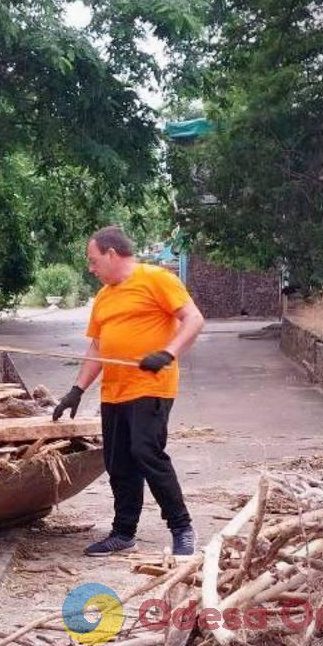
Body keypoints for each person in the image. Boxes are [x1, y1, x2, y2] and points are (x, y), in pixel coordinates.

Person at [52, 226, 205, 556]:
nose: (91, 269)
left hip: (151, 386)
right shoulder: (105, 297)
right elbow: (97, 346)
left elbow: (193, 319)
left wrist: (168, 353)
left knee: (145, 452)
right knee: (118, 462)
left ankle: (182, 527)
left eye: (93, 261)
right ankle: (123, 532)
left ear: (111, 254)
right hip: (114, 392)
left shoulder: (156, 279)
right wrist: (76, 390)